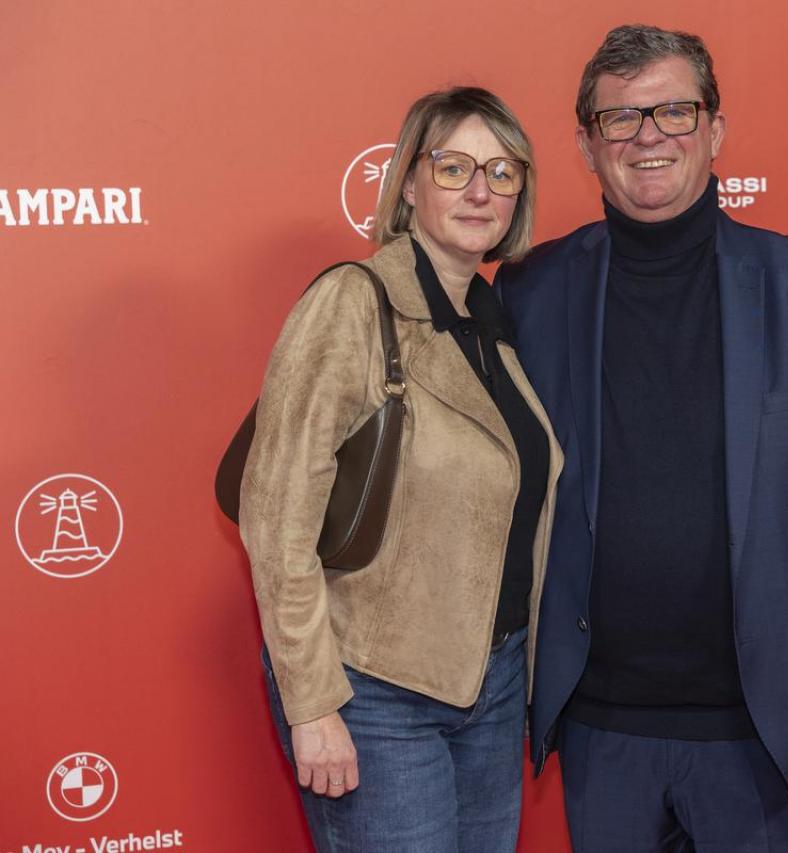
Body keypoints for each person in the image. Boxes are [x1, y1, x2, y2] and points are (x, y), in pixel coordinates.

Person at [495, 25, 788, 852]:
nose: (648, 137)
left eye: (674, 112)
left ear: (715, 130)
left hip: (764, 726)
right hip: (602, 722)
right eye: (620, 118)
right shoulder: (531, 290)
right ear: (587, 145)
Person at [239, 87, 562, 853]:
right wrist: (313, 703)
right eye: (454, 167)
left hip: (493, 686)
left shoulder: (494, 328)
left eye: (502, 171)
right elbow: (276, 513)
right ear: (409, 184)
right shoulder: (353, 302)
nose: (480, 190)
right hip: (374, 693)